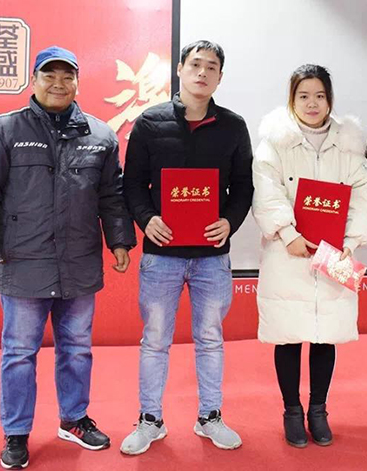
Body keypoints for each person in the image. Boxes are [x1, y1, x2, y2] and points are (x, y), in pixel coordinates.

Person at [0, 45, 136, 469]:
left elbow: (112, 197)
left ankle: (74, 419)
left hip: (79, 262)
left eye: (67, 76)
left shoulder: (100, 136)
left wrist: (120, 241)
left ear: (77, 83)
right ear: (34, 80)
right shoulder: (4, 129)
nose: (59, 83)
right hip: (23, 262)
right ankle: (16, 432)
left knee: (77, 348)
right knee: (19, 351)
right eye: (49, 75)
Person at [120, 40, 253, 454]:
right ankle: (150, 419)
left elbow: (243, 186)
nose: (202, 73)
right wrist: (147, 219)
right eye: (195, 64)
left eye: (211, 67)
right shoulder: (150, 122)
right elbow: (132, 183)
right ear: (179, 69)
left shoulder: (233, 126)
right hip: (161, 254)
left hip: (212, 255)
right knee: (155, 339)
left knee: (210, 338)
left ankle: (210, 416)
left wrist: (229, 222)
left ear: (220, 77)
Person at [252, 64, 367, 448]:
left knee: (326, 336)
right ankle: (292, 411)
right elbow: (267, 190)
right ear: (292, 99)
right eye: (303, 95)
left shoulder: (349, 144)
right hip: (288, 253)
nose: (312, 103)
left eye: (319, 96)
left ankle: (318, 411)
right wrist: (288, 234)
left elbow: (364, 194)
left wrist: (350, 242)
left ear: (329, 99)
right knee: (289, 336)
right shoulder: (274, 142)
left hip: (334, 254)